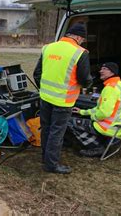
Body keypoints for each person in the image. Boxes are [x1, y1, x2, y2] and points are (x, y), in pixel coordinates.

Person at [33, 23, 93, 174]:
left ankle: (45, 157)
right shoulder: (80, 53)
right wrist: (89, 83)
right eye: (82, 40)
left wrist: (44, 89)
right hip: (63, 101)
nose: (82, 42)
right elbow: (84, 79)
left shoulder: (48, 48)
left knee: (46, 128)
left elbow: (37, 73)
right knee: (56, 132)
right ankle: (51, 165)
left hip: (45, 97)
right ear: (79, 37)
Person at [71, 63, 121, 157]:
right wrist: (82, 112)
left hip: (109, 128)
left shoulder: (110, 89)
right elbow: (101, 109)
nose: (101, 71)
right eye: (101, 68)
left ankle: (97, 148)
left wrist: (92, 117)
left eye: (105, 69)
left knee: (71, 122)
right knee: (84, 120)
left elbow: (103, 113)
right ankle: (102, 143)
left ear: (112, 72)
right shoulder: (120, 85)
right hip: (120, 127)